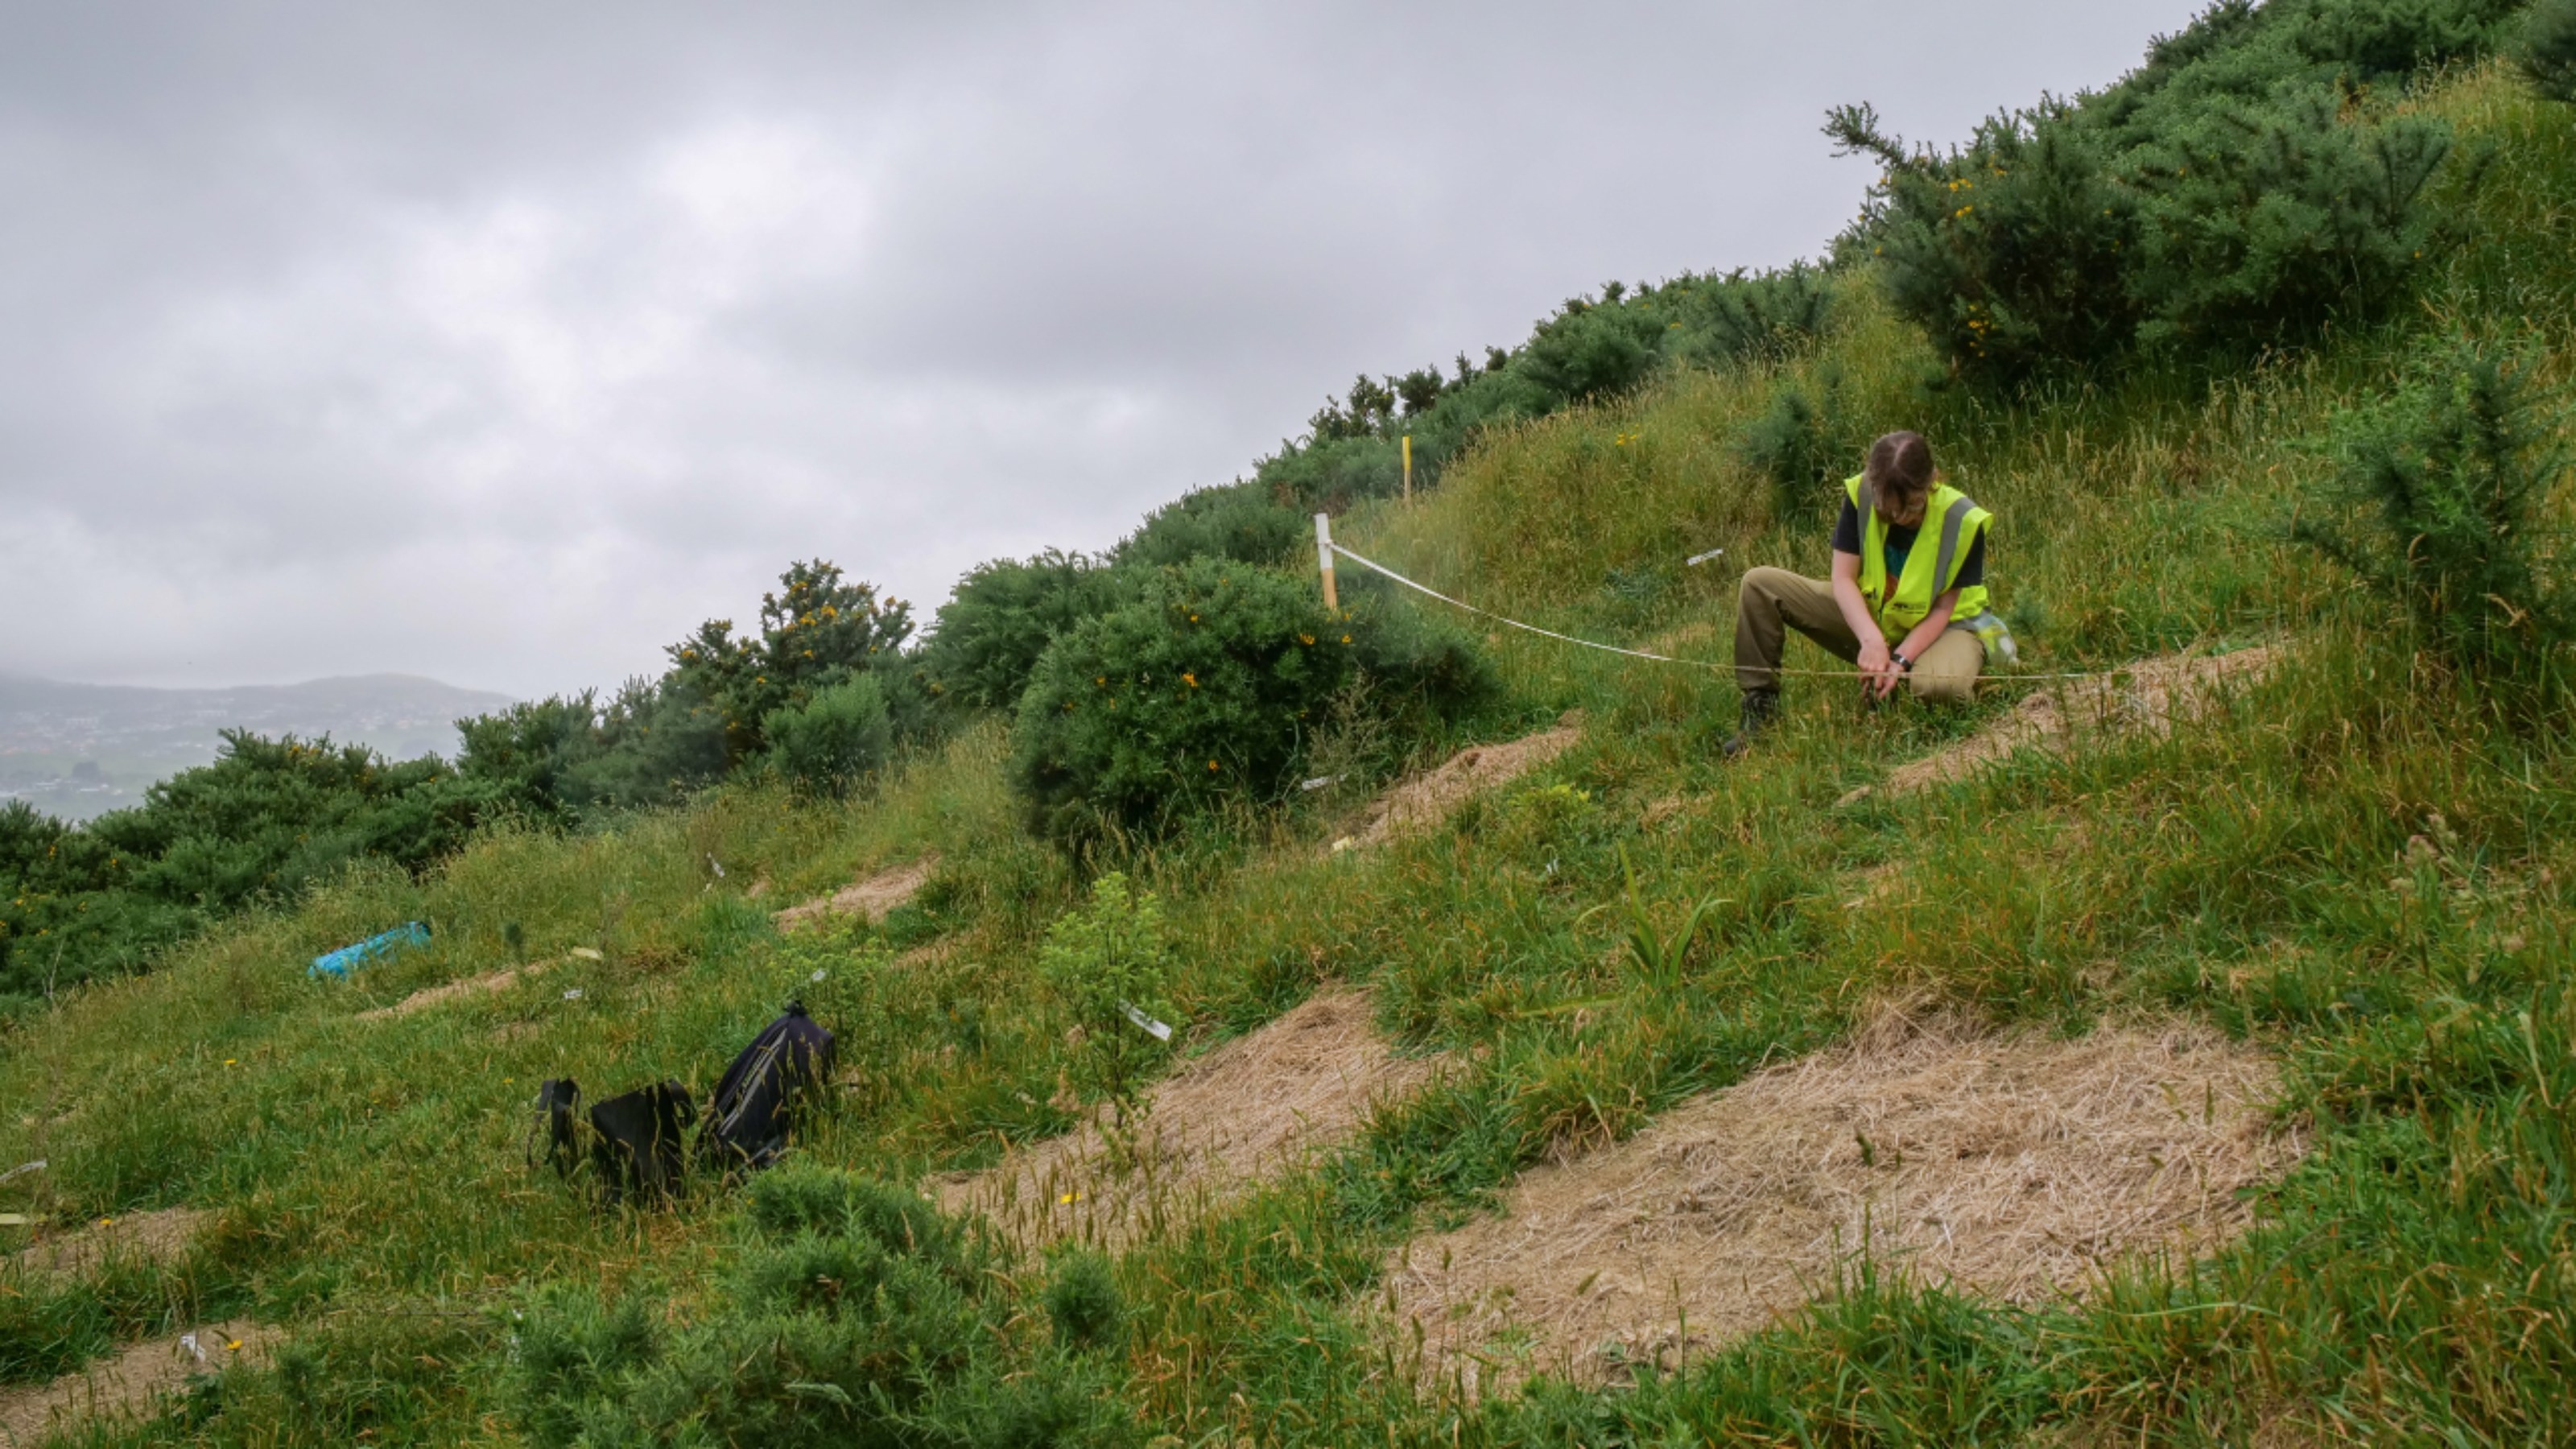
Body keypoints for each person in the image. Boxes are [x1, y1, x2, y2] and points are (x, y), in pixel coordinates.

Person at [1723, 430, 2012, 756]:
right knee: (1760, 584)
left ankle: (1911, 676)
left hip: (1947, 627)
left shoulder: (1963, 520)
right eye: (1889, 510)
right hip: (1878, 619)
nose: (1900, 518)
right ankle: (1761, 709)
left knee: (1939, 689)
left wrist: (1900, 660)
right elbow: (1843, 579)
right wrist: (1872, 640)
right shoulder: (1860, 494)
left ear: (1931, 480)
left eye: (1912, 508)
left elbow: (1944, 608)